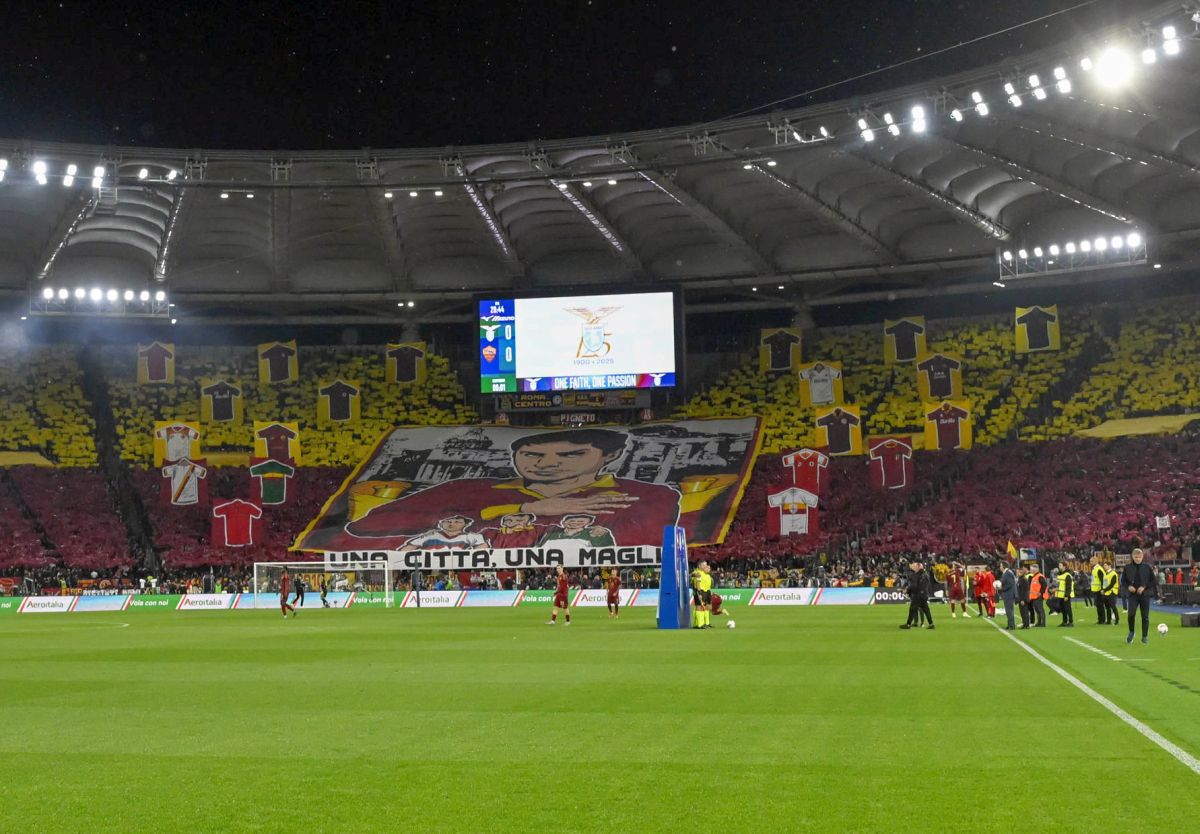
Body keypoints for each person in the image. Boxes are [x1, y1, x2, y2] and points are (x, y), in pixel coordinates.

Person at [345, 429, 682, 549]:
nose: (547, 464)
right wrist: (524, 509)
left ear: (610, 455)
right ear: (515, 456)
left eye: (571, 454)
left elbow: (648, 539)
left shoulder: (649, 495)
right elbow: (366, 524)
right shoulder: (466, 489)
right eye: (532, 455)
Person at [1122, 548, 1158, 645]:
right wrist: (1128, 586)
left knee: (1145, 616)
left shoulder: (1147, 567)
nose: (1138, 559)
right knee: (1131, 614)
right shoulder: (1127, 567)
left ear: (1142, 557)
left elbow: (1153, 581)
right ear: (1132, 557)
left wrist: (1144, 587)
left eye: (1139, 557)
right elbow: (1123, 581)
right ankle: (1131, 632)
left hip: (1145, 595)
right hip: (1132, 595)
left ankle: (1144, 636)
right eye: (1136, 557)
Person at [900, 561, 934, 630]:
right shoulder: (926, 574)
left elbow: (914, 586)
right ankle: (931, 624)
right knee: (926, 609)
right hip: (925, 594)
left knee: (912, 609)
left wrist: (907, 591)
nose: (914, 568)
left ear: (918, 567)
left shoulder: (916, 575)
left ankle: (908, 624)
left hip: (918, 595)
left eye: (915, 567)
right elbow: (928, 584)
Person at [692, 561, 713, 629]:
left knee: (706, 607)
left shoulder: (706, 574)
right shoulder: (698, 572)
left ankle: (706, 623)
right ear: (700, 566)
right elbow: (693, 574)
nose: (705, 566)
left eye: (706, 565)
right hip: (700, 591)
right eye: (704, 565)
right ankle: (699, 624)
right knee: (699, 606)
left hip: (706, 591)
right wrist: (699, 592)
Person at [998, 561, 1018, 630]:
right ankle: (1010, 624)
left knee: (1009, 610)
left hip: (1009, 594)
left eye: (1001, 566)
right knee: (1008, 610)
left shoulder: (1008, 573)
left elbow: (1010, 584)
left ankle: (1011, 626)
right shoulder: (1007, 572)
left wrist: (1001, 588)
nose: (1000, 567)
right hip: (1008, 594)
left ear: (1004, 566)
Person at [1055, 562, 1075, 627]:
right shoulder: (1059, 574)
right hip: (1060, 595)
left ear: (1064, 566)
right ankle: (1064, 621)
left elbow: (1068, 586)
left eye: (1060, 565)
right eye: (1059, 565)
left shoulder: (1067, 575)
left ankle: (1071, 622)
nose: (1059, 566)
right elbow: (1058, 585)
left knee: (1068, 609)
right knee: (1063, 609)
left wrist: (1066, 595)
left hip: (1065, 595)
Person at [1101, 560, 1120, 625]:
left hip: (1112, 592)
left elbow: (1112, 584)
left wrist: (1104, 590)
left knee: (1113, 607)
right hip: (1106, 593)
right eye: (1104, 565)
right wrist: (1103, 589)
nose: (1104, 567)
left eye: (1105, 565)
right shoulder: (1105, 573)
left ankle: (1117, 620)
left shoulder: (1113, 574)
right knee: (1107, 607)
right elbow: (1105, 583)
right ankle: (1108, 621)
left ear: (1109, 566)